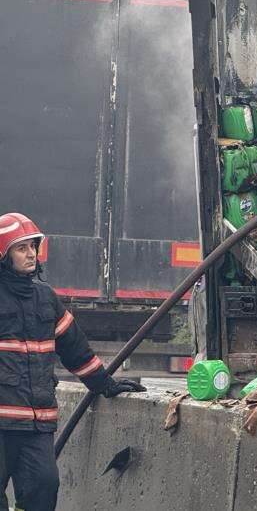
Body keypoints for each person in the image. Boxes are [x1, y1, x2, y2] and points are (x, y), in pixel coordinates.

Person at [0, 213, 145, 511]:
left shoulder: (45, 298)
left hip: (36, 424)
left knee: (45, 487)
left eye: (32, 247)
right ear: (3, 254)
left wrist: (105, 384)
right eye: (21, 248)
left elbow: (74, 349)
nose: (30, 254)